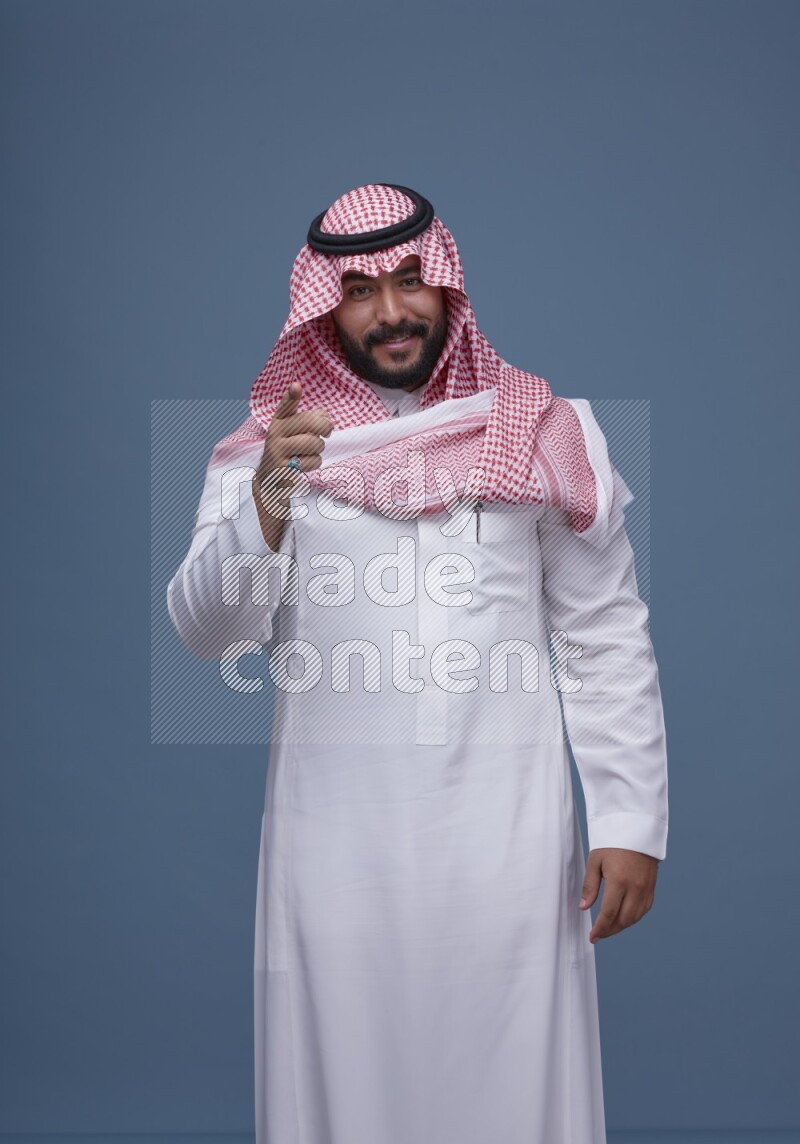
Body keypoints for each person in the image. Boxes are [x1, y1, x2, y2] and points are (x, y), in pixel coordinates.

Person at [167, 183, 668, 1144]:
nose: (392, 310)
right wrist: (271, 496)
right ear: (323, 306)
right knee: (344, 1097)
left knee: (518, 1092)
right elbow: (207, 633)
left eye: (410, 281)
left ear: (447, 287)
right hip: (338, 855)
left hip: (511, 846)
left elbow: (604, 632)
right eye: (360, 290)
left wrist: (632, 817)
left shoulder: (543, 430)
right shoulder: (266, 455)